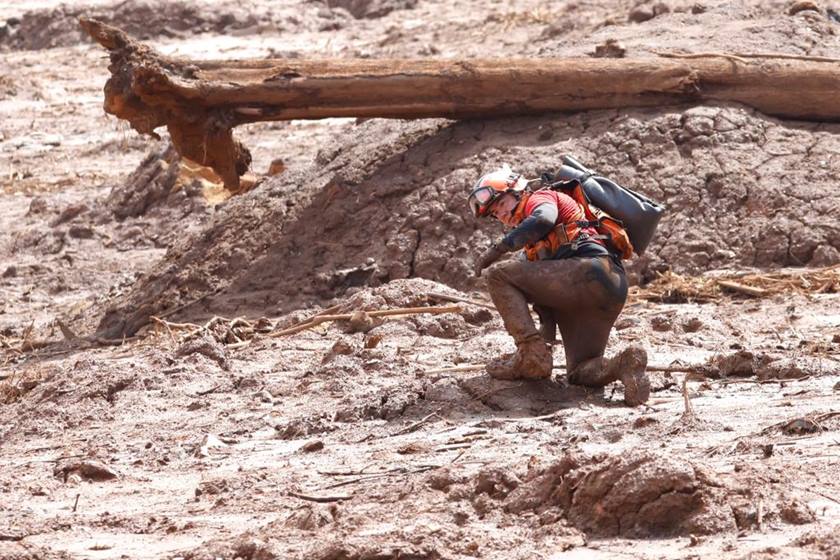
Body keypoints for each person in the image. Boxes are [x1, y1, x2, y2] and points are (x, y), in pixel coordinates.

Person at [467, 165, 650, 406]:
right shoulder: (533, 253)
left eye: (502, 204)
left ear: (519, 191)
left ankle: (528, 354)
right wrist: (544, 342)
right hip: (609, 288)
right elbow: (544, 303)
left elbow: (543, 218)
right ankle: (625, 365)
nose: (502, 215)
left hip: (589, 270)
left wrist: (498, 249)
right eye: (495, 214)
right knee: (581, 372)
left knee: (498, 275)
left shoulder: (541, 197)